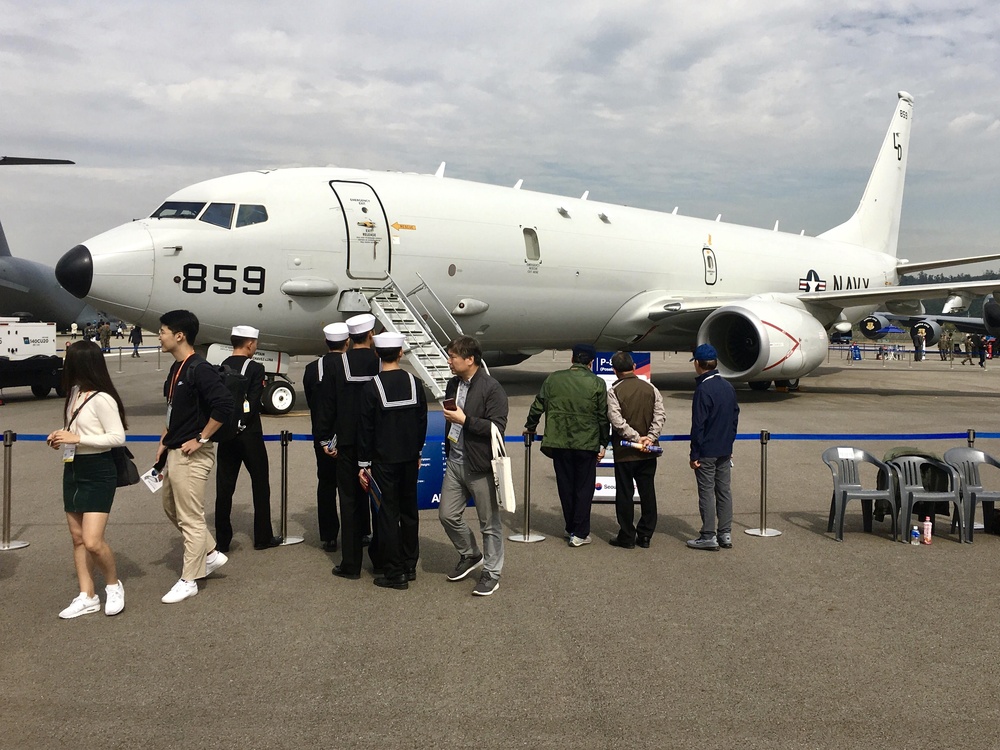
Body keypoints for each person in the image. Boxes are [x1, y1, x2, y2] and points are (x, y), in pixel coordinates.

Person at [155, 309, 234, 603]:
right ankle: (211, 553)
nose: (159, 336)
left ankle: (190, 578)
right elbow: (173, 408)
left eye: (163, 331)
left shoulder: (200, 368)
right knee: (171, 509)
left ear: (179, 335)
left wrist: (201, 438)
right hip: (174, 450)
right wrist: (164, 440)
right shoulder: (177, 368)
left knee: (191, 518)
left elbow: (224, 406)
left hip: (192, 455)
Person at [46, 340, 128, 618]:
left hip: (99, 469)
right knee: (78, 538)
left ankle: (113, 585)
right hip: (73, 467)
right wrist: (61, 434)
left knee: (93, 540)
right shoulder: (75, 393)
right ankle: (87, 594)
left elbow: (117, 437)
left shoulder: (103, 398)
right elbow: (77, 427)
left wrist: (77, 438)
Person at [439, 335, 509, 596]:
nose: (449, 361)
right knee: (447, 515)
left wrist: (465, 420)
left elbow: (497, 428)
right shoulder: (452, 384)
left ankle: (492, 573)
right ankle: (470, 554)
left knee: (489, 524)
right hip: (455, 461)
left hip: (480, 465)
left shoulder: (492, 388)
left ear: (470, 359)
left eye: (453, 357)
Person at [357, 332, 428, 590]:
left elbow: (366, 429)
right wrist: (418, 451)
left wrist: (363, 463)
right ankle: (410, 564)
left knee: (387, 514)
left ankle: (394, 570)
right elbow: (422, 421)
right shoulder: (415, 382)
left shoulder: (371, 387)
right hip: (410, 458)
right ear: (400, 353)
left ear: (377, 354)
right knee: (410, 511)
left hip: (383, 460)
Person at [524, 344, 610, 547]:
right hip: (586, 443)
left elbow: (538, 404)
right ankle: (579, 532)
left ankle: (570, 526)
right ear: (591, 362)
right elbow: (602, 417)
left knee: (565, 485)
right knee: (583, 488)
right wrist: (603, 442)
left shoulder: (554, 378)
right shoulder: (597, 383)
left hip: (559, 441)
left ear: (572, 359)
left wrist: (531, 426)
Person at [322, 313, 380, 580]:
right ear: (370, 335)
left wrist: (327, 439)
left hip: (347, 443)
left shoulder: (337, 364)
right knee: (380, 501)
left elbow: (328, 405)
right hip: (377, 444)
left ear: (350, 337)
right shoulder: (381, 361)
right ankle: (381, 558)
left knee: (349, 501)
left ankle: (351, 564)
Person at [214, 325, 281, 552]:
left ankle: (222, 540)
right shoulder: (255, 367)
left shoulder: (221, 366)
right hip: (249, 434)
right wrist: (242, 423)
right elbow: (253, 402)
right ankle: (263, 537)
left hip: (225, 434)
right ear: (250, 344)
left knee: (224, 487)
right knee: (260, 483)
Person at [606, 351, 665, 549]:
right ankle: (646, 534)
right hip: (648, 451)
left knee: (625, 494)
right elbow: (660, 415)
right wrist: (650, 437)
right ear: (634, 367)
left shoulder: (614, 391)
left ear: (615, 371)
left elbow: (616, 421)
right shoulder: (651, 388)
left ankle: (627, 535)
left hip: (625, 451)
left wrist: (635, 437)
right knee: (648, 492)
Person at [686, 344, 740, 551]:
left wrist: (694, 453)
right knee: (724, 491)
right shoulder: (727, 387)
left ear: (698, 364)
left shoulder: (703, 389)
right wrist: (729, 443)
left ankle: (708, 534)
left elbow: (698, 425)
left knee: (707, 492)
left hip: (707, 450)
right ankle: (725, 533)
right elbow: (734, 418)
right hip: (724, 449)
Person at [302, 322, 349, 552]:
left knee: (327, 484)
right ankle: (359, 532)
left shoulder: (312, 368)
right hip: (348, 436)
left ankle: (329, 536)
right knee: (351, 486)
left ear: (326, 342)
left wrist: (324, 437)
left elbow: (313, 402)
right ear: (347, 342)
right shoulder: (351, 366)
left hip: (322, 436)